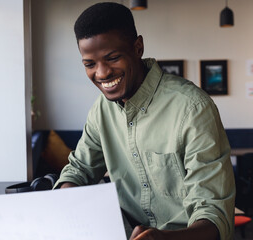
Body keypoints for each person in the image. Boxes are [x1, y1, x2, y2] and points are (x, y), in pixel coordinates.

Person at [53, 2, 235, 240]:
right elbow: (79, 170)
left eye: (113, 58)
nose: (102, 73)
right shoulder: (101, 110)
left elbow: (214, 219)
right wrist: (63, 199)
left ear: (137, 47)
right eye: (90, 64)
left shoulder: (192, 108)